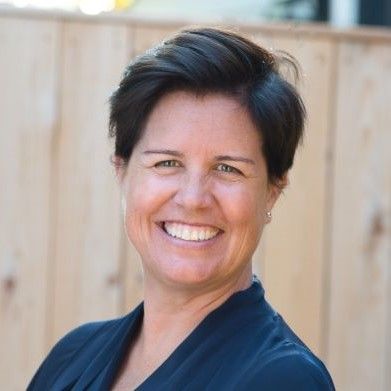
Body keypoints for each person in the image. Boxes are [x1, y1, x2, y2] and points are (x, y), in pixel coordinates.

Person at [28, 27, 335, 390]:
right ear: (122, 171)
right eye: (167, 163)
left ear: (272, 191)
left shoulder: (282, 380)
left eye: (228, 169)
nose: (193, 198)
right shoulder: (73, 356)